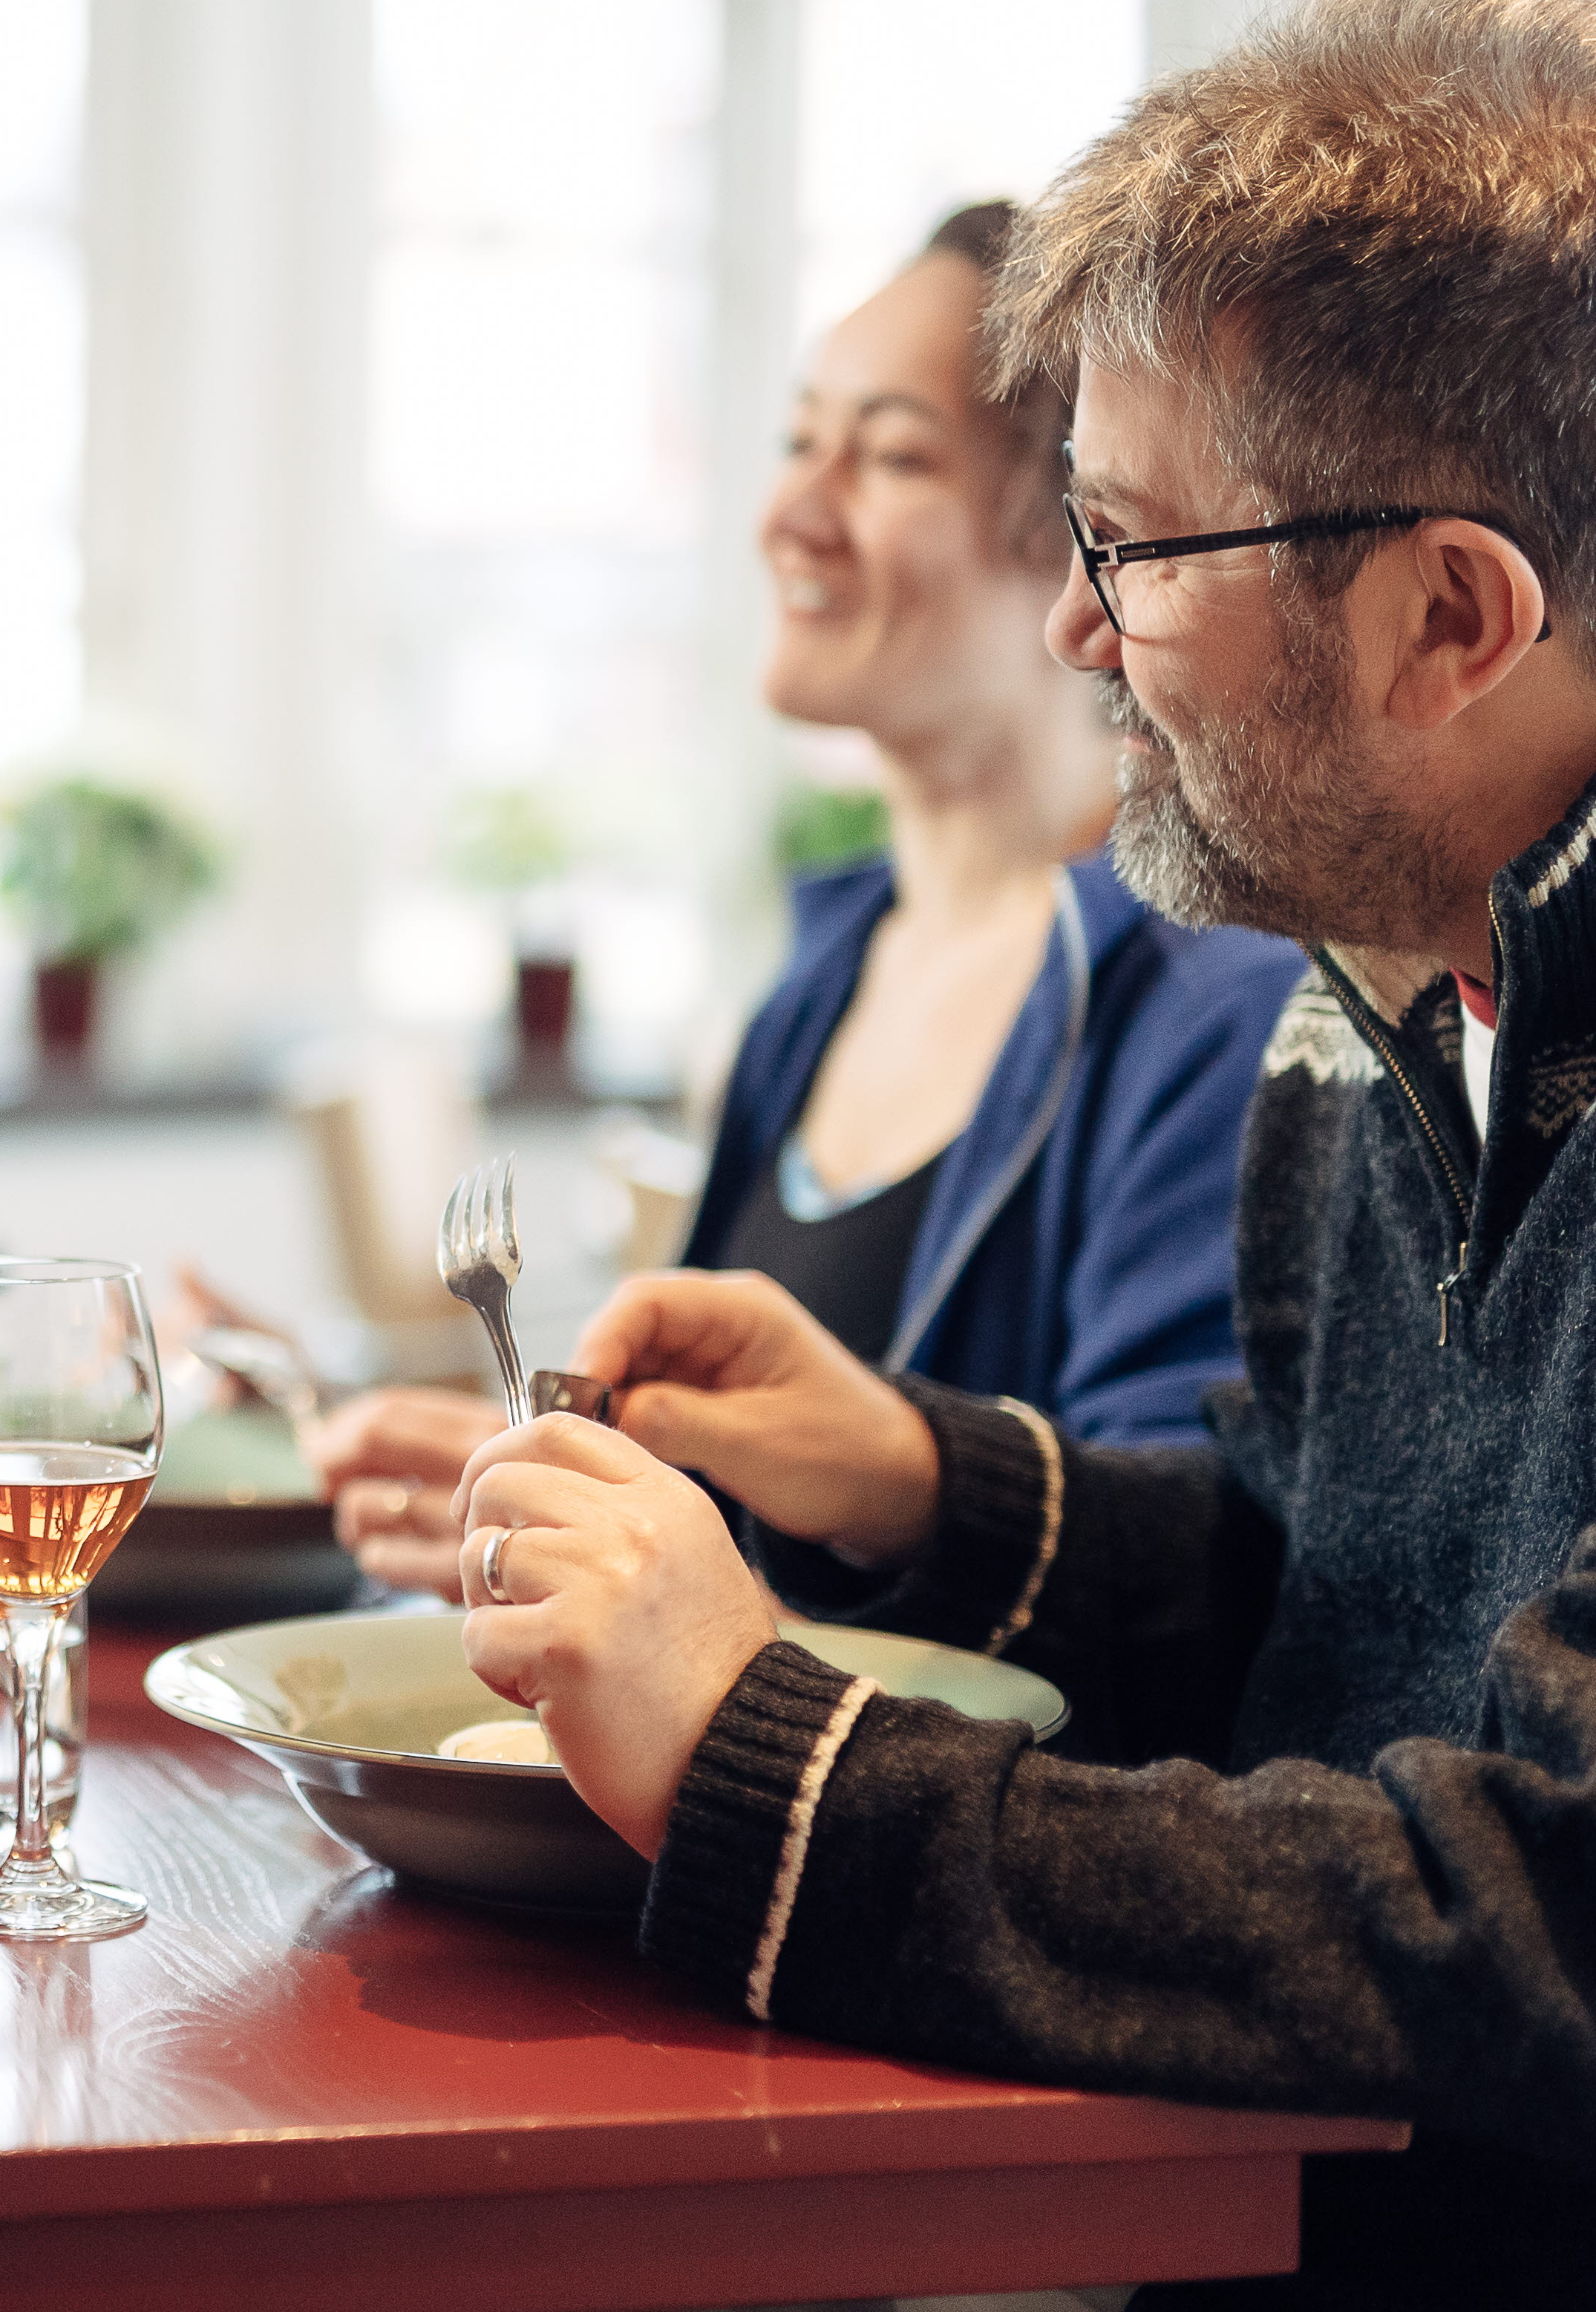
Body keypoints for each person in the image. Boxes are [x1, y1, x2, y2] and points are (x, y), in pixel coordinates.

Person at [460, 0, 1596, 2305]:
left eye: (1134, 548)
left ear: (1449, 618)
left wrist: (770, 1757)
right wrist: (931, 1480)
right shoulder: (1395, 971)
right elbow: (1320, 1605)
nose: (1073, 628)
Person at [309, 205, 1302, 1596]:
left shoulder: (1213, 996)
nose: (788, 514)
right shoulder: (821, 980)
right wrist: (519, 1493)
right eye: (797, 441)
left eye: (890, 455)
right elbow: (734, 1523)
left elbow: (1191, 1576)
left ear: (1086, 531)